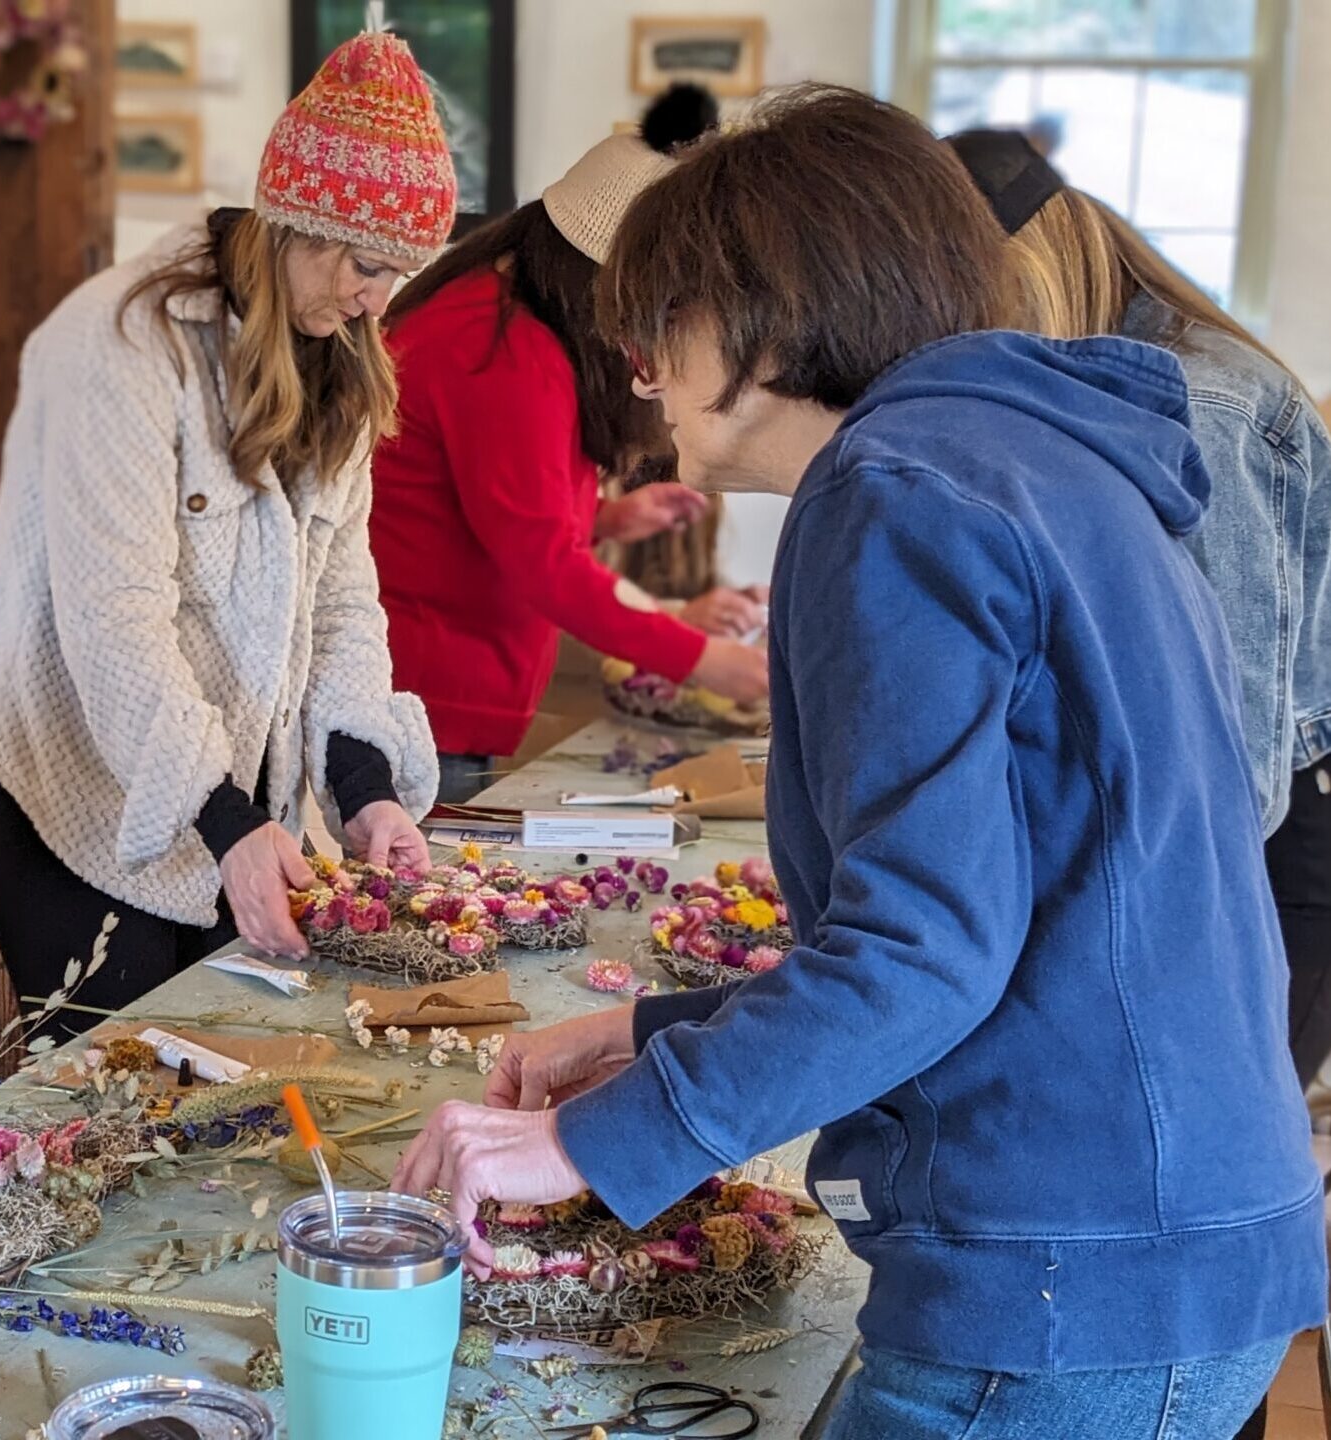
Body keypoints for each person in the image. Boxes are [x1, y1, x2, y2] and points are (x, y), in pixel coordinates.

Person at [394, 86, 1327, 1438]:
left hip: (1059, 1274)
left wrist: (583, 1145)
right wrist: (644, 1036)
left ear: (768, 311)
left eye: (659, 325)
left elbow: (918, 953)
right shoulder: (1033, 458)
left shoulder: (890, 491)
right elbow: (1020, 922)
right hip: (1170, 1238)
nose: (639, 375)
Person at [0, 33, 453, 1035]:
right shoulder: (126, 343)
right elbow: (114, 623)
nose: (376, 301)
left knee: (248, 1051)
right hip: (74, 779)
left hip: (221, 779)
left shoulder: (335, 353)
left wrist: (364, 786)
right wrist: (228, 822)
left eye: (398, 273)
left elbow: (343, 596)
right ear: (297, 227)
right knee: (132, 1074)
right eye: (365, 265)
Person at [946, 126, 1331, 1440]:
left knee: (1189, 1254)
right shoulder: (1120, 379)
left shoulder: (1196, 405)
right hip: (1230, 843)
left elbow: (1215, 765)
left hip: (1273, 856)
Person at [370, 86, 769, 804]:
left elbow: (484, 513)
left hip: (449, 692)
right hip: (429, 700)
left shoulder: (509, 315)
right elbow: (543, 563)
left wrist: (608, 519)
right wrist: (706, 660)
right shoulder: (497, 349)